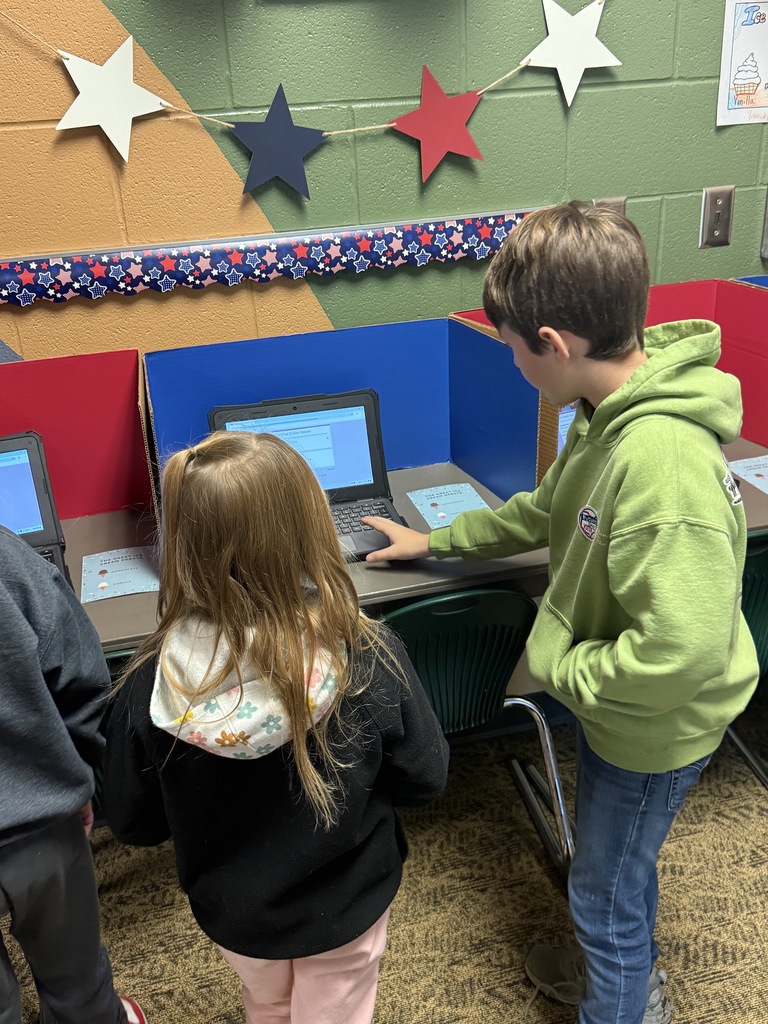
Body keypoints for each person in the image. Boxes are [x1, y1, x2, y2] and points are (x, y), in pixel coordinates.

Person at [361, 201, 759, 1024]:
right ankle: (626, 981)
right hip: (623, 714)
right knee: (617, 868)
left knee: (602, 899)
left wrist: (565, 668)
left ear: (553, 344)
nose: (509, 362)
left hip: (655, 726)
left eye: (509, 347)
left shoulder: (661, 467)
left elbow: (679, 656)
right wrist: (433, 540)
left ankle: (619, 995)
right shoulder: (602, 416)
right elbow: (544, 514)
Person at [102, 431, 449, 1024]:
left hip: (237, 915)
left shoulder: (149, 689)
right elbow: (425, 777)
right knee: (337, 1007)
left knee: (267, 1002)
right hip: (347, 903)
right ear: (311, 530)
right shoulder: (368, 656)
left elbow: (133, 823)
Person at [0, 525, 147, 1024]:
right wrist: (79, 773)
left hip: (39, 815)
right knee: (77, 983)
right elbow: (80, 674)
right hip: (41, 822)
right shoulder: (6, 556)